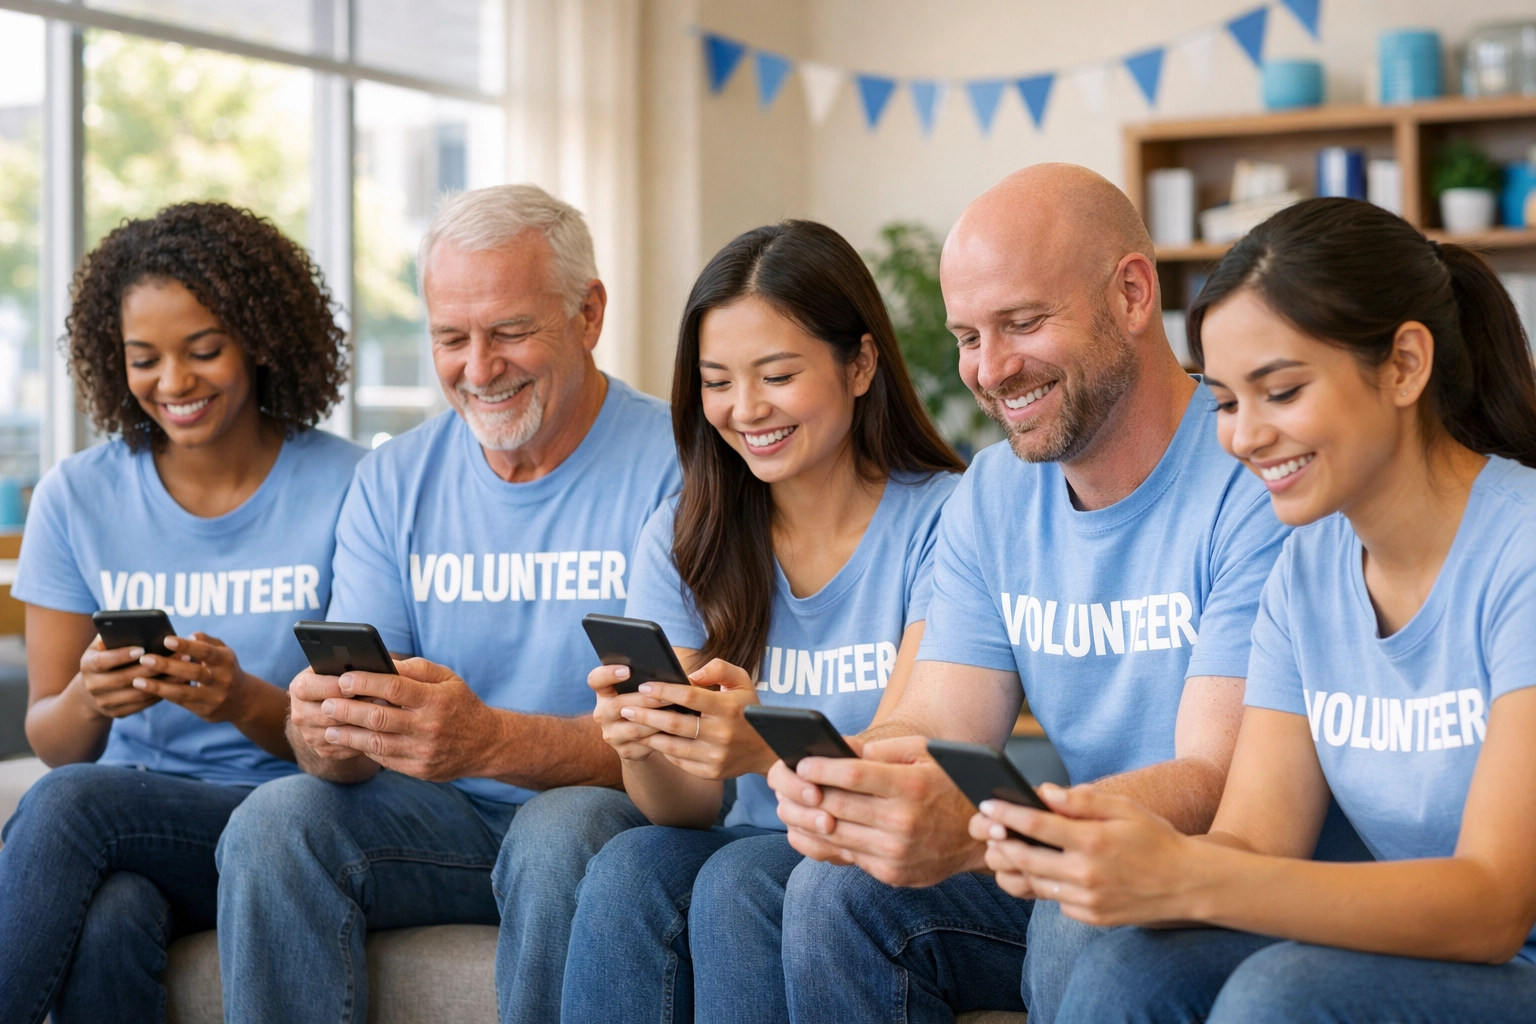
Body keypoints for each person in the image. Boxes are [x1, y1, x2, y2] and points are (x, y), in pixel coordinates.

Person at [739, 163, 1300, 1024]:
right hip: (1071, 852)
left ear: (1133, 294)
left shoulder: (1251, 473)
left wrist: (981, 827)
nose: (990, 369)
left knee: (1080, 910)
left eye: (1023, 323)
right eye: (968, 336)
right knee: (829, 892)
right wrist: (854, 778)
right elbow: (938, 725)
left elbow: (1214, 780)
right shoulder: (993, 493)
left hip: (1234, 878)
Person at [992, 199, 1536, 1023]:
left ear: (1404, 365)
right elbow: (1255, 842)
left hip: (1507, 954)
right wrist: (1104, 846)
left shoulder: (1521, 550)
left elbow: (1494, 906)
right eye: (1225, 402)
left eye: (1279, 391)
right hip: (1423, 950)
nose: (1245, 437)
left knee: (1281, 995)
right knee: (1125, 968)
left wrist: (1188, 875)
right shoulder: (1307, 572)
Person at [214, 184, 681, 1024]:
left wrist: (489, 738)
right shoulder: (393, 480)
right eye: (450, 338)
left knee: (558, 833)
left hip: (605, 810)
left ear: (588, 313)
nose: (478, 367)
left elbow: (678, 751)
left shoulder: (681, 465)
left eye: (509, 332)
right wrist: (324, 733)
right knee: (276, 819)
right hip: (442, 818)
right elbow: (342, 748)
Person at [560, 221, 965, 1023]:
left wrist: (760, 744)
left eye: (777, 374)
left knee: (742, 881)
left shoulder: (947, 521)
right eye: (716, 381)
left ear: (860, 363)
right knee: (627, 865)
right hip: (742, 841)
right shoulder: (686, 533)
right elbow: (684, 808)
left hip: (879, 849)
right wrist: (640, 738)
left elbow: (911, 759)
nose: (746, 410)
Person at [0, 202, 361, 1024]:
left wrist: (241, 698)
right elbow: (52, 739)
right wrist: (93, 698)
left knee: (69, 805)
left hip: (285, 817)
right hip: (131, 819)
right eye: (144, 359)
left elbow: (349, 741)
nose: (174, 383)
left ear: (262, 339)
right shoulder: (77, 495)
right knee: (112, 916)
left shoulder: (348, 487)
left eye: (204, 350)